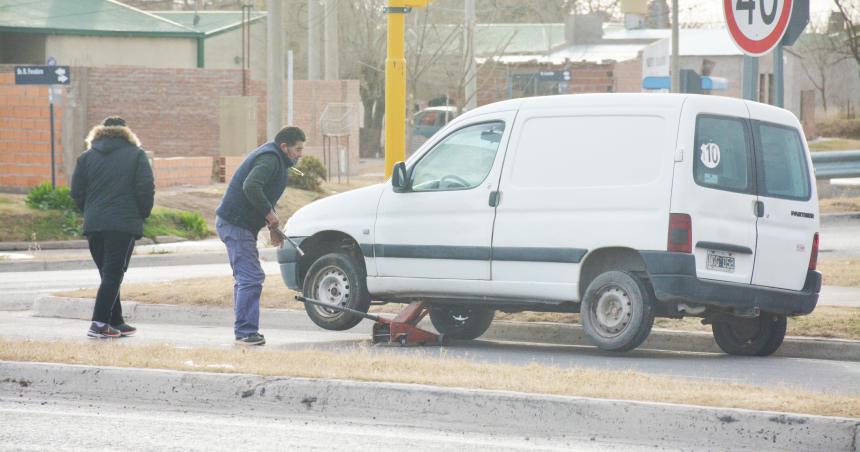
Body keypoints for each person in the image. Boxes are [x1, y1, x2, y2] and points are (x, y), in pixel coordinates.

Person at [216, 126, 306, 346]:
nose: (300, 154)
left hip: (239, 225)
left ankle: (244, 330)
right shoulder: (270, 158)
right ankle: (246, 333)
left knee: (245, 279)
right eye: (298, 149)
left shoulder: (277, 160)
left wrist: (273, 226)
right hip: (235, 224)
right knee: (251, 277)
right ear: (284, 146)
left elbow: (263, 195)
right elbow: (252, 186)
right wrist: (269, 214)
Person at [71, 117, 155, 339]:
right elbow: (146, 189)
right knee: (113, 273)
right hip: (122, 223)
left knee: (108, 273)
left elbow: (77, 192)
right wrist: (142, 214)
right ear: (126, 132)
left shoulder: (86, 157)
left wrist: (90, 212)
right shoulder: (136, 155)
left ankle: (115, 320)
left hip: (94, 223)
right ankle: (98, 324)